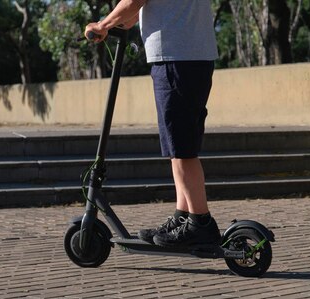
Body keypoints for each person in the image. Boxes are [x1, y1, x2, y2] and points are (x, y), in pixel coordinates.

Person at [85, 0, 221, 248]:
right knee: (178, 145)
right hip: (191, 55)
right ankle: (185, 217)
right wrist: (123, 20)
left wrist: (103, 24)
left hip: (176, 56)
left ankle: (200, 223)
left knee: (181, 148)